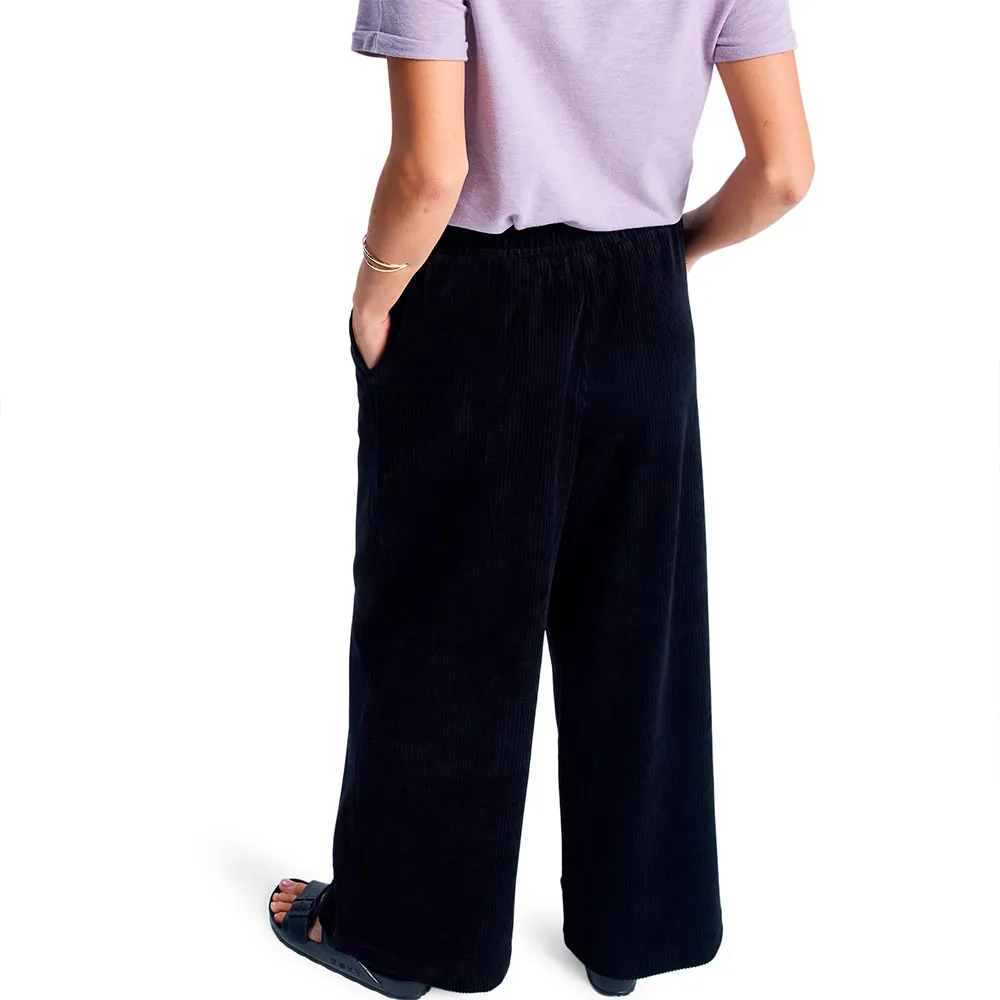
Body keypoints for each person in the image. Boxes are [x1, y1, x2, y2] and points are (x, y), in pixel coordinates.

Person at [268, 1, 813, 996]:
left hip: (475, 302)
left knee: (441, 629)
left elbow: (431, 171)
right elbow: (784, 171)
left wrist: (375, 292)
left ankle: (407, 941)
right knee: (638, 629)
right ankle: (631, 935)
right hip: (644, 301)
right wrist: (664, 259)